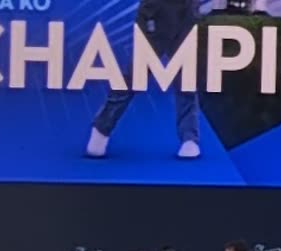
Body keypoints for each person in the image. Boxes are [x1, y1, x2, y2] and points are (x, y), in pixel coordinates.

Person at [86, 0, 201, 160]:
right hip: (155, 13)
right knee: (135, 76)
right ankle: (101, 129)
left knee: (186, 76)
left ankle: (190, 138)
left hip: (187, 11)